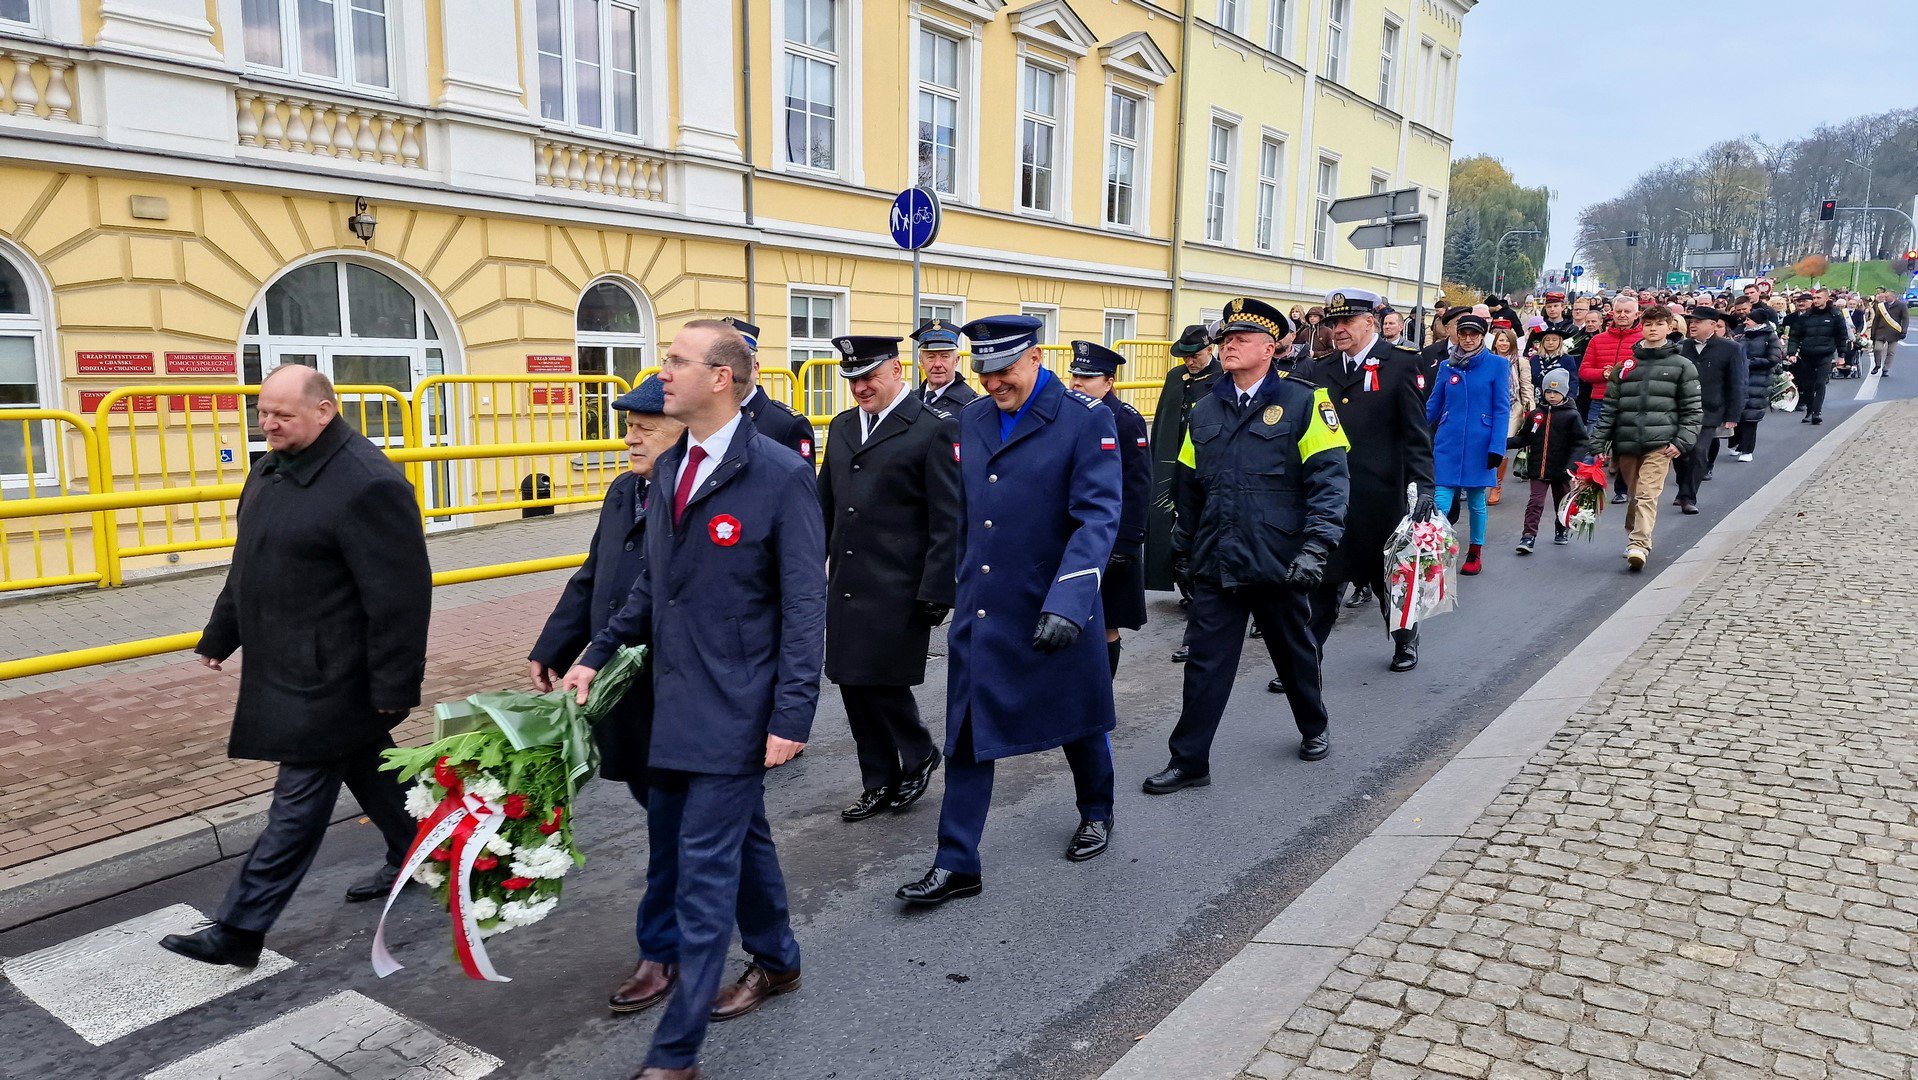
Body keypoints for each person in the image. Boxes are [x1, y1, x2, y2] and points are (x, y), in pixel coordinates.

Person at [560, 319, 825, 1080]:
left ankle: (674, 1058)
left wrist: (792, 714)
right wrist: (595, 653)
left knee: (704, 875)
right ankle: (778, 959)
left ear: (720, 378)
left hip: (737, 709)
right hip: (673, 705)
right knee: (739, 843)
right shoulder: (673, 464)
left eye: (676, 361)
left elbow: (805, 605)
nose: (662, 373)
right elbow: (653, 582)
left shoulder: (779, 474)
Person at [161, 366, 431, 968]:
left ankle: (239, 929)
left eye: (282, 414)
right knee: (371, 766)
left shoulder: (369, 483)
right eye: (262, 412)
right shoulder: (271, 468)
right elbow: (250, 563)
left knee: (298, 801)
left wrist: (394, 684)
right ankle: (424, 851)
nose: (268, 424)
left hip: (335, 675)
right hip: (288, 663)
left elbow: (401, 597)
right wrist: (221, 634)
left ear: (324, 411)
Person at [896, 314, 1121, 908]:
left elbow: (1097, 519)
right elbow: (967, 515)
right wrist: (945, 586)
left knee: (1079, 719)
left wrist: (1070, 601)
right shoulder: (972, 419)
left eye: (1004, 370)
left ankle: (1097, 809)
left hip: (1053, 600)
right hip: (986, 607)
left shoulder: (1084, 419)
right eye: (984, 371)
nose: (994, 383)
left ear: (1035, 358)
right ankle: (956, 862)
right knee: (968, 732)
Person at [1143, 297, 1348, 794]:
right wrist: (1183, 547)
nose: (1228, 346)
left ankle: (1313, 724)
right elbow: (1190, 486)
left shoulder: (1305, 402)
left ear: (1270, 348)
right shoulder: (1205, 408)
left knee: (1293, 652)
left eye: (1240, 339)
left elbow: (1330, 482)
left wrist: (1316, 548)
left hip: (1279, 559)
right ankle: (1189, 760)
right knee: (1205, 663)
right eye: (1225, 339)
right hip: (1219, 558)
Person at [817, 335, 960, 823]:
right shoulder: (842, 427)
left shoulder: (933, 428)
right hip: (848, 580)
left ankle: (917, 753)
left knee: (883, 680)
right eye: (853, 379)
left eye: (869, 377)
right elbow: (825, 503)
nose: (860, 387)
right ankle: (877, 779)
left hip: (899, 583)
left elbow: (947, 517)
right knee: (851, 682)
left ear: (897, 371)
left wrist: (937, 588)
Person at [1292, 288, 1434, 671]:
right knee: (1323, 580)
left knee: (1389, 576)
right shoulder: (1320, 369)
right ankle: (1305, 660)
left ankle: (1405, 640)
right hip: (1331, 496)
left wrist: (1424, 486)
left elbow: (1416, 434)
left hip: (1381, 495)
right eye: (1333, 322)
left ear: (1370, 322)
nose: (1338, 329)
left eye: (1347, 321)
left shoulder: (1401, 363)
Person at [1586, 305, 1700, 573]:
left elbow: (1693, 408)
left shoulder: (1682, 366)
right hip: (1627, 442)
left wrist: (1681, 441)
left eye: (1659, 324)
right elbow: (1610, 408)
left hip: (1660, 444)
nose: (1653, 328)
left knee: (1647, 494)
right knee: (1635, 494)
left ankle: (1639, 544)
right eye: (1648, 324)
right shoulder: (1626, 367)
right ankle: (1634, 532)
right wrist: (1598, 443)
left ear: (1669, 327)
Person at [1068, 340, 1150, 674]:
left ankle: (1104, 691)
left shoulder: (1125, 421)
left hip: (1112, 539)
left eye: (1087, 378)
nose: (1077, 383)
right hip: (1073, 533)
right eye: (1074, 376)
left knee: (1106, 622)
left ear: (1108, 382)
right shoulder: (1068, 415)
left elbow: (1137, 485)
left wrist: (1126, 543)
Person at [1425, 314, 1510, 577]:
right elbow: (1434, 404)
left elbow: (1502, 409)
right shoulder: (1447, 366)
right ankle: (1436, 550)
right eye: (1463, 334)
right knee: (1441, 499)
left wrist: (1497, 447)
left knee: (1475, 500)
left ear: (1483, 336)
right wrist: (1414, 431)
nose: (1468, 339)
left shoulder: (1497, 365)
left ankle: (1475, 551)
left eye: (1474, 334)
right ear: (1457, 335)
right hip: (1448, 441)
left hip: (1480, 442)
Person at [1150, 323, 1223, 604]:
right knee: (1168, 521)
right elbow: (1162, 420)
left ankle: (1202, 585)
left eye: (1195, 355)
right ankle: (1182, 580)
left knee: (1200, 523)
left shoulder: (1222, 378)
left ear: (1209, 350)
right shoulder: (1175, 377)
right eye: (1185, 356)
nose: (1189, 362)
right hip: (1172, 461)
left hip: (1203, 464)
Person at [1672, 306, 1746, 513]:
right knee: (1680, 453)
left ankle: (1688, 497)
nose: (1692, 325)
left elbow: (1737, 383)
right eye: (1691, 321)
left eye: (1698, 322)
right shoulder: (1681, 347)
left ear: (1713, 325)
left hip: (1710, 411)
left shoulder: (1731, 348)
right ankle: (1682, 487)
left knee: (1698, 452)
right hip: (1680, 409)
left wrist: (1733, 414)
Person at [1508, 367, 1586, 553]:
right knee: (1535, 503)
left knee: (1561, 502)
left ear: (1564, 392)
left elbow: (1581, 442)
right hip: (1538, 469)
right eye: (1548, 391)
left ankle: (1561, 529)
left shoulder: (1572, 415)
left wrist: (1572, 466)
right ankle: (1528, 536)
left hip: (1562, 470)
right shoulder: (1537, 414)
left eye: (1556, 392)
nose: (1551, 396)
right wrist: (1503, 443)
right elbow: (1525, 437)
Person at [722, 315, 817, 464]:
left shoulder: (787, 424)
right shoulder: (709, 418)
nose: (732, 372)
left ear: (755, 368)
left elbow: (802, 477)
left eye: (740, 364)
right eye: (723, 365)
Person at [1581, 297, 1642, 504]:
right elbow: (1584, 371)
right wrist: (1603, 374)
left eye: (1627, 311)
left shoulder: (1644, 339)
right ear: (1612, 314)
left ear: (1636, 314)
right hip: (1601, 400)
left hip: (1631, 401)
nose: (1622, 315)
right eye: (1619, 311)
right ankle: (1585, 487)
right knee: (1593, 443)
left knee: (1626, 447)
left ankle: (1622, 489)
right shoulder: (1597, 340)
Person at [1781, 288, 1848, 425]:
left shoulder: (1835, 315)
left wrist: (1841, 355)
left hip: (1825, 354)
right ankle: (1810, 411)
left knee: (1820, 383)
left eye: (1818, 298)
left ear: (1826, 299)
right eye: (1814, 298)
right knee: (1808, 385)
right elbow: (1795, 336)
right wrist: (1792, 353)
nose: (1815, 300)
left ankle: (1817, 412)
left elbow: (1842, 336)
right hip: (1807, 354)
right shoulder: (1806, 316)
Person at [1487, 325, 1534, 507]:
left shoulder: (1520, 362)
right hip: (1488, 407)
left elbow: (1526, 386)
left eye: (1507, 340)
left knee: (1503, 444)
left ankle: (1496, 486)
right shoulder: (1488, 360)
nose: (1504, 344)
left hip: (1512, 408)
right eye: (1501, 340)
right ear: (1495, 343)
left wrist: (1530, 409)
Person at [1732, 305, 1781, 465]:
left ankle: (1747, 450)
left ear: (1758, 322)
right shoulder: (1742, 337)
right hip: (1741, 380)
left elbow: (1774, 358)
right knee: (1738, 414)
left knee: (1751, 417)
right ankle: (1737, 443)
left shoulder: (1770, 337)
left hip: (1759, 381)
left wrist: (1749, 362)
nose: (1745, 322)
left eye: (1749, 320)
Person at [912, 318, 979, 408]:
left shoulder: (971, 405)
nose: (937, 364)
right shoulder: (911, 400)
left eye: (945, 357)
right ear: (921, 361)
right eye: (931, 357)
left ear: (956, 360)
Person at [1866, 286, 1908, 376]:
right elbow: (1876, 320)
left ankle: (1885, 368)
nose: (1885, 298)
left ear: (1893, 297)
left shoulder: (1901, 305)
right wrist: (1873, 333)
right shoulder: (1882, 306)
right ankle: (1877, 365)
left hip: (1894, 332)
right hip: (1880, 332)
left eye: (1887, 296)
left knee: (1891, 352)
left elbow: (1905, 319)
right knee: (1877, 349)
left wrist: (1904, 331)